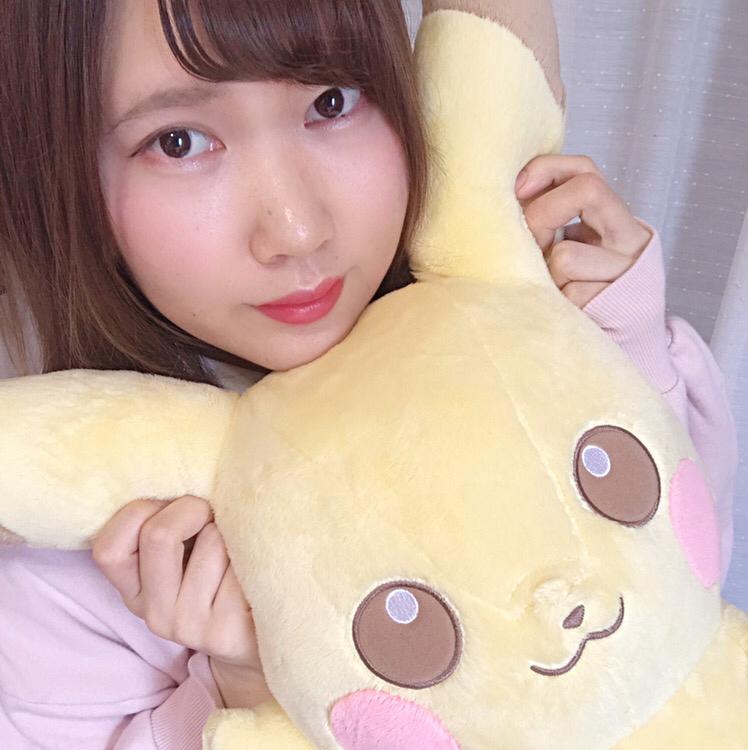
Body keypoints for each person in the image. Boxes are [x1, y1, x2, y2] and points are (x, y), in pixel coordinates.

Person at [0, 0, 737, 747]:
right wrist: (245, 684)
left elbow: (683, 609)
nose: (296, 230)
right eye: (179, 142)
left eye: (331, 102)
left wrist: (620, 345)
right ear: (65, 177)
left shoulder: (495, 331)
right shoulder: (80, 547)